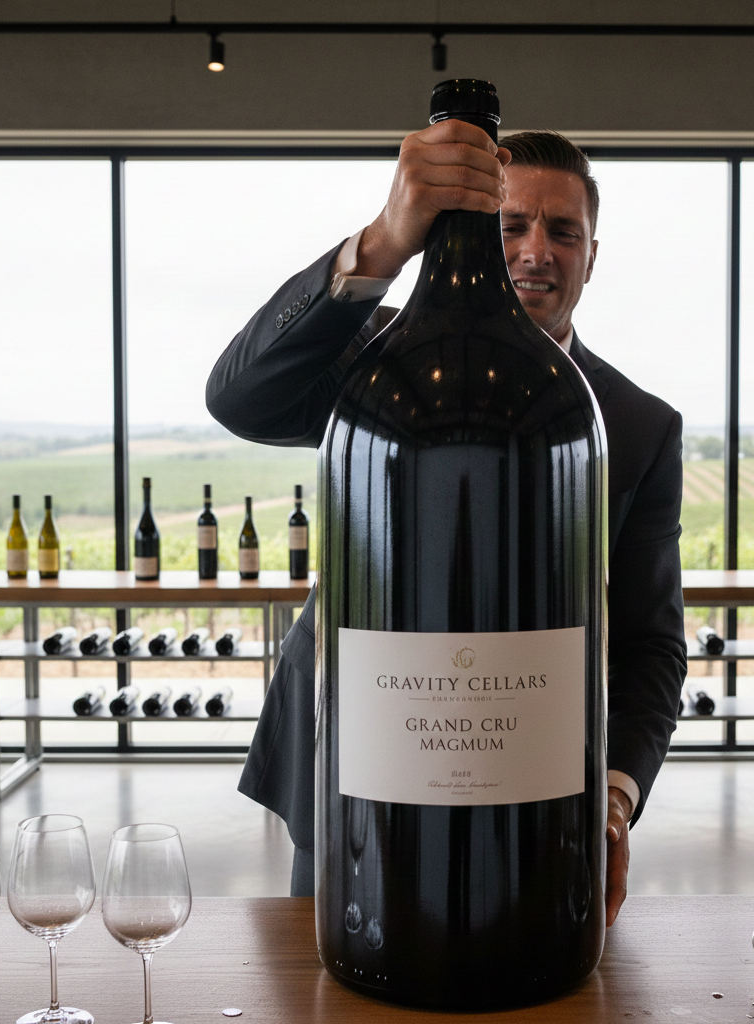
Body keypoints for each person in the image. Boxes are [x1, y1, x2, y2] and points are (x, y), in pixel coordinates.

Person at [206, 121, 687, 927]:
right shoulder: (374, 358)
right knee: (335, 986)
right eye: (510, 225)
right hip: (353, 761)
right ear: (464, 237)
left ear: (591, 257)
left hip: (535, 778)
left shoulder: (638, 424)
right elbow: (238, 396)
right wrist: (384, 243)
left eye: (562, 231)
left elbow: (649, 640)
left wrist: (611, 794)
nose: (536, 249)